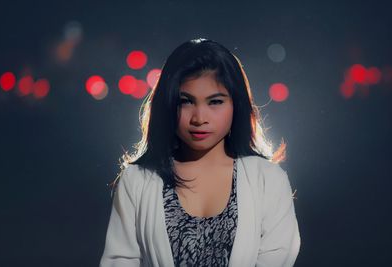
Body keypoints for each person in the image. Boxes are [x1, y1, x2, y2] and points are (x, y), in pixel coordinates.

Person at [100, 38, 300, 267]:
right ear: (167, 105)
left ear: (237, 105)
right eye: (185, 102)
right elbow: (119, 261)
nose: (199, 118)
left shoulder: (269, 181)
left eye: (215, 102)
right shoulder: (137, 181)